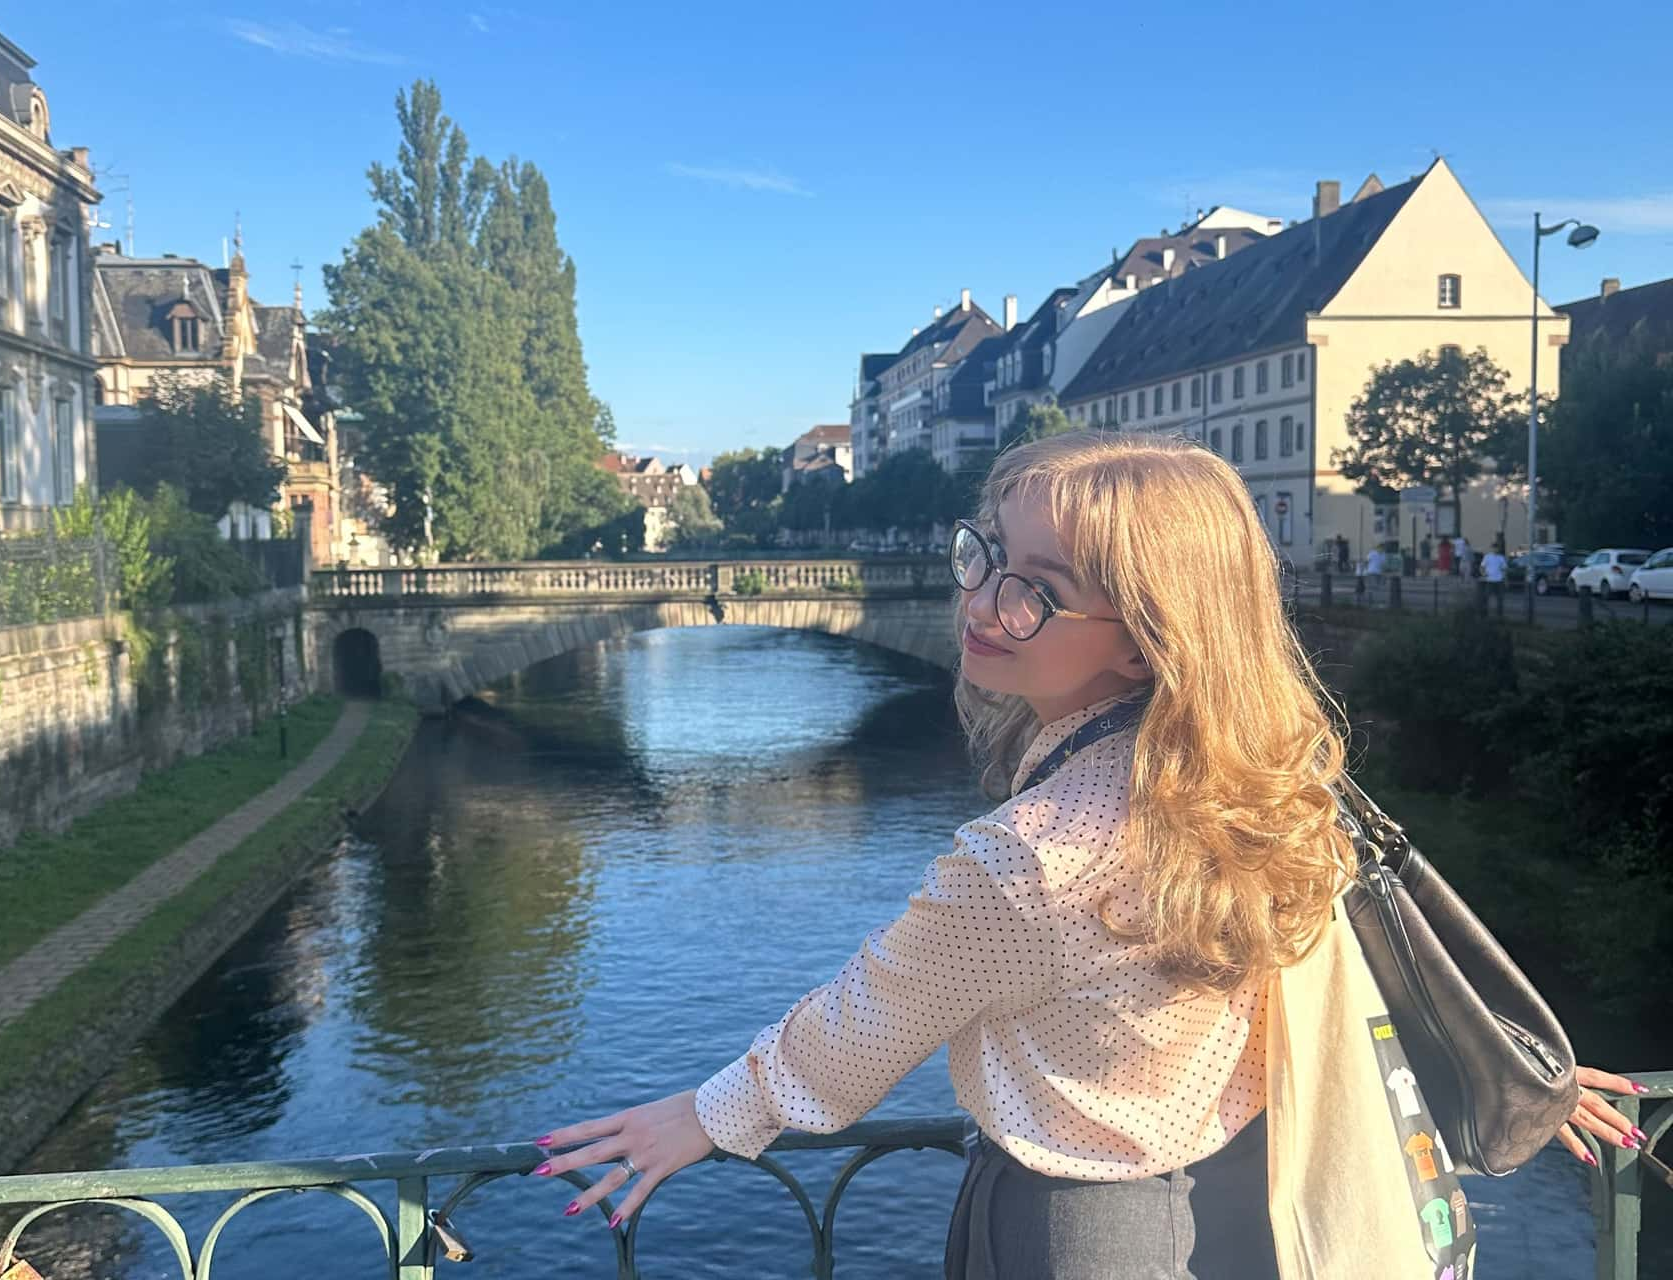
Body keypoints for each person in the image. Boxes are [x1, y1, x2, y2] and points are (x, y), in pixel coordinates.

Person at [530, 434, 1646, 1276]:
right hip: (1273, 1197)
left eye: (1039, 591)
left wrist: (708, 1113)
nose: (979, 601)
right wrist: (1496, 1062)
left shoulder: (1037, 855)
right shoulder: (1267, 774)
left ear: (1153, 627)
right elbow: (1350, 955)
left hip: (1084, 1227)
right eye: (987, 555)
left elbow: (867, 1019)